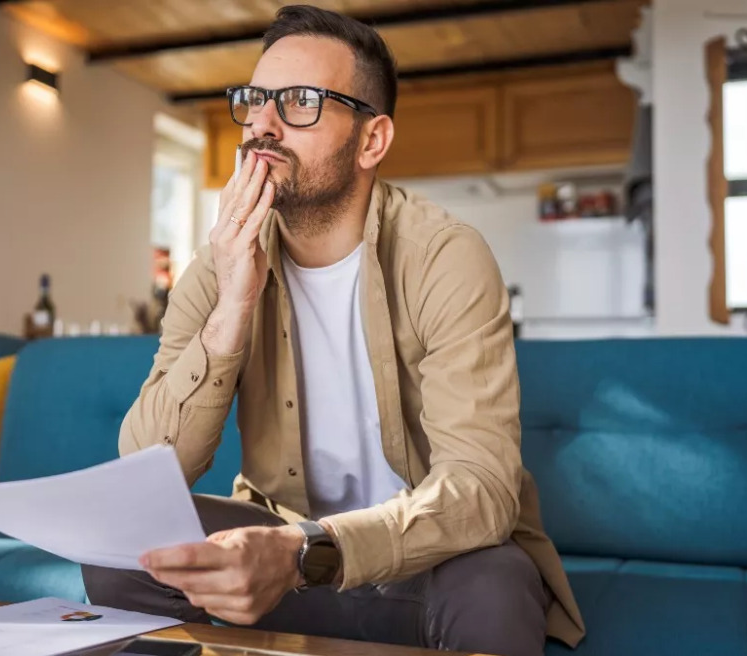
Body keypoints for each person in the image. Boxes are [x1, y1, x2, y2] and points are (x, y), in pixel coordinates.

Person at [84, 6, 584, 655]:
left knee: (494, 588)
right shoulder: (220, 263)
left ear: (372, 140)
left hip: (420, 561)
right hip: (280, 554)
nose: (262, 123)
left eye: (298, 102)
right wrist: (233, 303)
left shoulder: (445, 256)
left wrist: (304, 552)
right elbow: (146, 468)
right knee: (123, 545)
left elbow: (480, 490)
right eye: (257, 100)